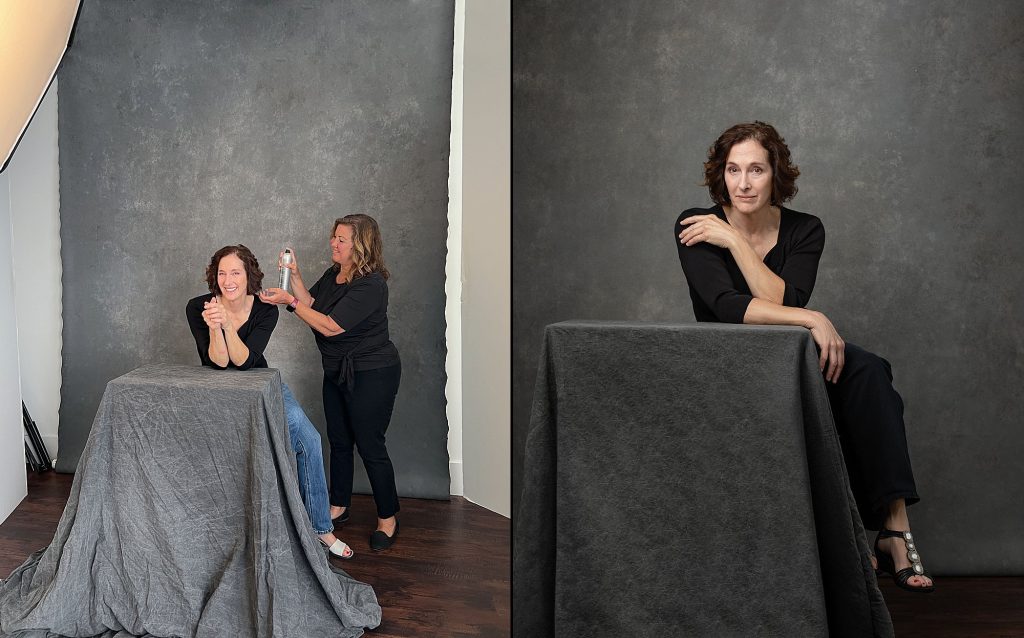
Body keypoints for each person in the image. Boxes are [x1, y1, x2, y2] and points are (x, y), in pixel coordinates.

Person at [674, 121, 934, 593]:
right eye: (733, 170)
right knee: (841, 383)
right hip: (728, 361)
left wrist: (738, 245)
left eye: (756, 169)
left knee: (870, 374)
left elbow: (785, 298)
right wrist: (812, 317)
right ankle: (848, 539)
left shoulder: (805, 228)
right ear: (721, 175)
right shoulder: (697, 224)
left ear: (776, 175)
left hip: (791, 354)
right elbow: (728, 309)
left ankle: (895, 528)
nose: (744, 183)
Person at [185, 244, 354, 560]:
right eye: (222, 273)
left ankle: (320, 528)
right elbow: (219, 363)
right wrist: (215, 326)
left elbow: (247, 361)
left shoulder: (265, 309)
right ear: (214, 276)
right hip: (220, 390)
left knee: (308, 439)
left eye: (236, 272)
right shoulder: (199, 306)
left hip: (261, 383)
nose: (228, 280)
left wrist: (226, 326)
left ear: (249, 275)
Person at [260, 214, 402, 551]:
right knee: (338, 440)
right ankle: (339, 504)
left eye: (341, 239)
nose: (333, 243)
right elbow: (312, 304)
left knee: (370, 445)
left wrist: (289, 302)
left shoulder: (371, 285)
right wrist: (294, 277)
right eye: (333, 237)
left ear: (360, 245)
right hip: (337, 369)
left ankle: (388, 517)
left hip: (372, 373)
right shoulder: (335, 274)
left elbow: (330, 326)